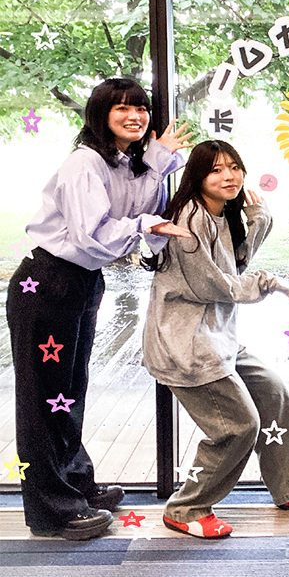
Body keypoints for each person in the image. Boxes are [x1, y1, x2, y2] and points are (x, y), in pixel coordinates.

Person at [5, 78, 193, 540]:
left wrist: (156, 164)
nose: (135, 116)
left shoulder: (123, 164)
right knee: (43, 399)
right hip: (47, 281)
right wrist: (147, 223)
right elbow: (93, 233)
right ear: (100, 115)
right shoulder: (85, 162)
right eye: (122, 108)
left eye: (141, 108)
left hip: (81, 282)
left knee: (68, 392)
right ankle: (52, 511)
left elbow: (140, 211)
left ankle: (75, 485)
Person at [142, 139, 289, 539]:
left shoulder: (218, 214)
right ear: (198, 176)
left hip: (216, 338)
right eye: (216, 170)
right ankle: (186, 507)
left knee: (272, 392)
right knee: (238, 427)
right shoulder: (190, 219)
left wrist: (259, 220)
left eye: (234, 167)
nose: (229, 176)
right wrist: (269, 282)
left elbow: (236, 264)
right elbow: (213, 286)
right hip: (186, 346)